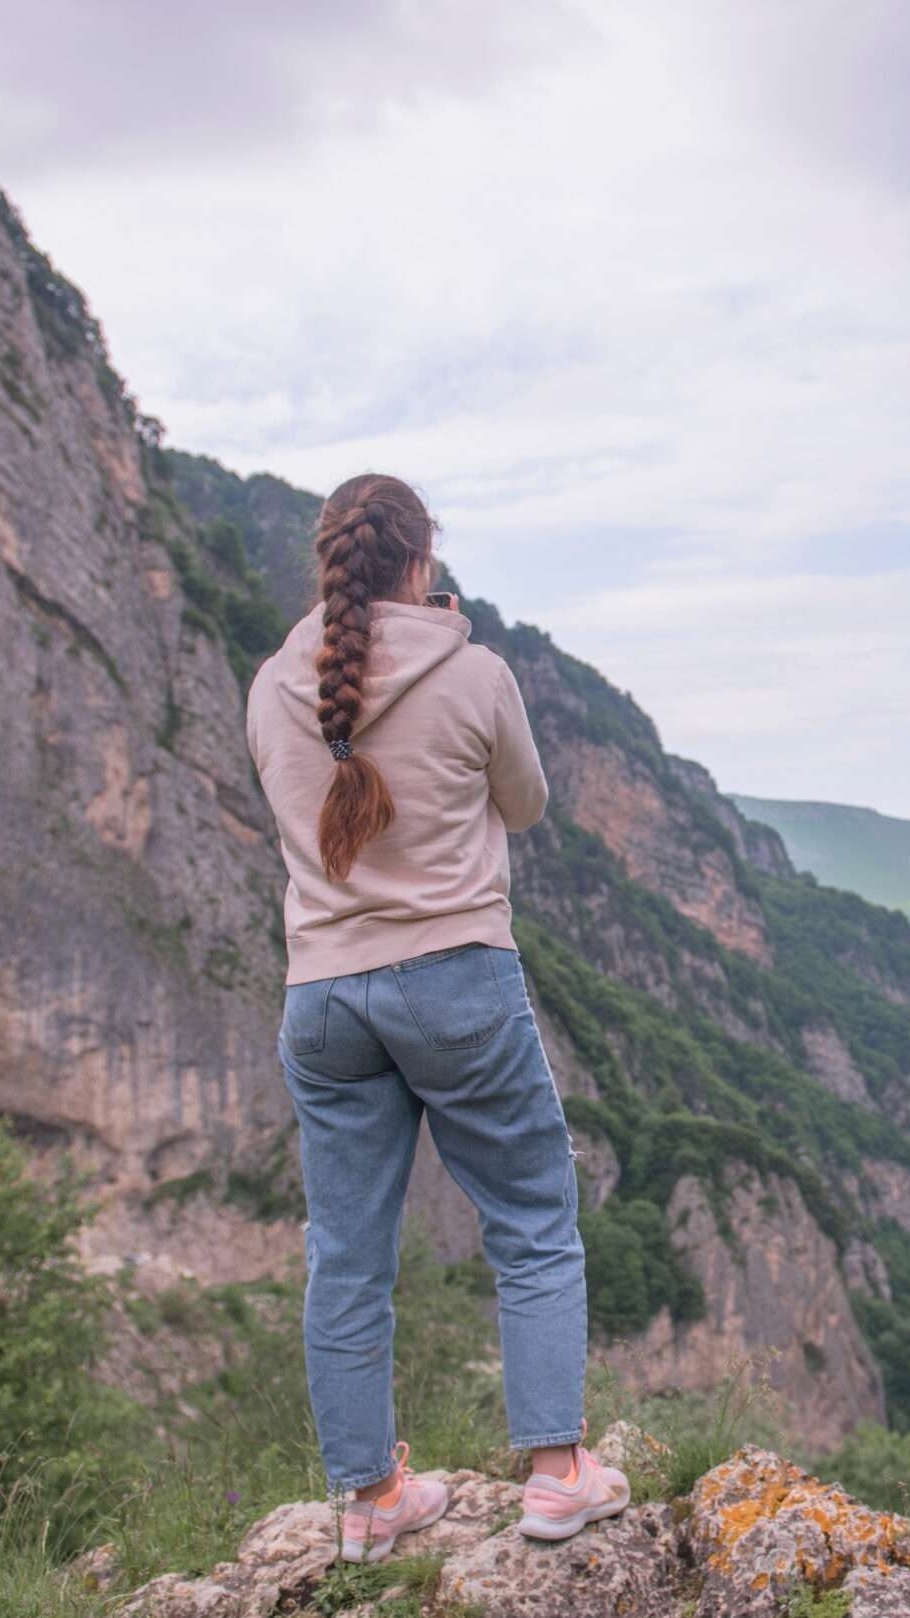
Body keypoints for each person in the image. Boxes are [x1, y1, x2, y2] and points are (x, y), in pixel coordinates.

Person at [245, 473, 629, 1563]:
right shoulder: (472, 672)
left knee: (347, 1255)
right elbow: (527, 804)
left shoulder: (274, 683)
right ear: (421, 563)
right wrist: (447, 647)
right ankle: (556, 1474)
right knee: (530, 1219)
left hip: (321, 996)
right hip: (453, 978)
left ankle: (370, 1499)